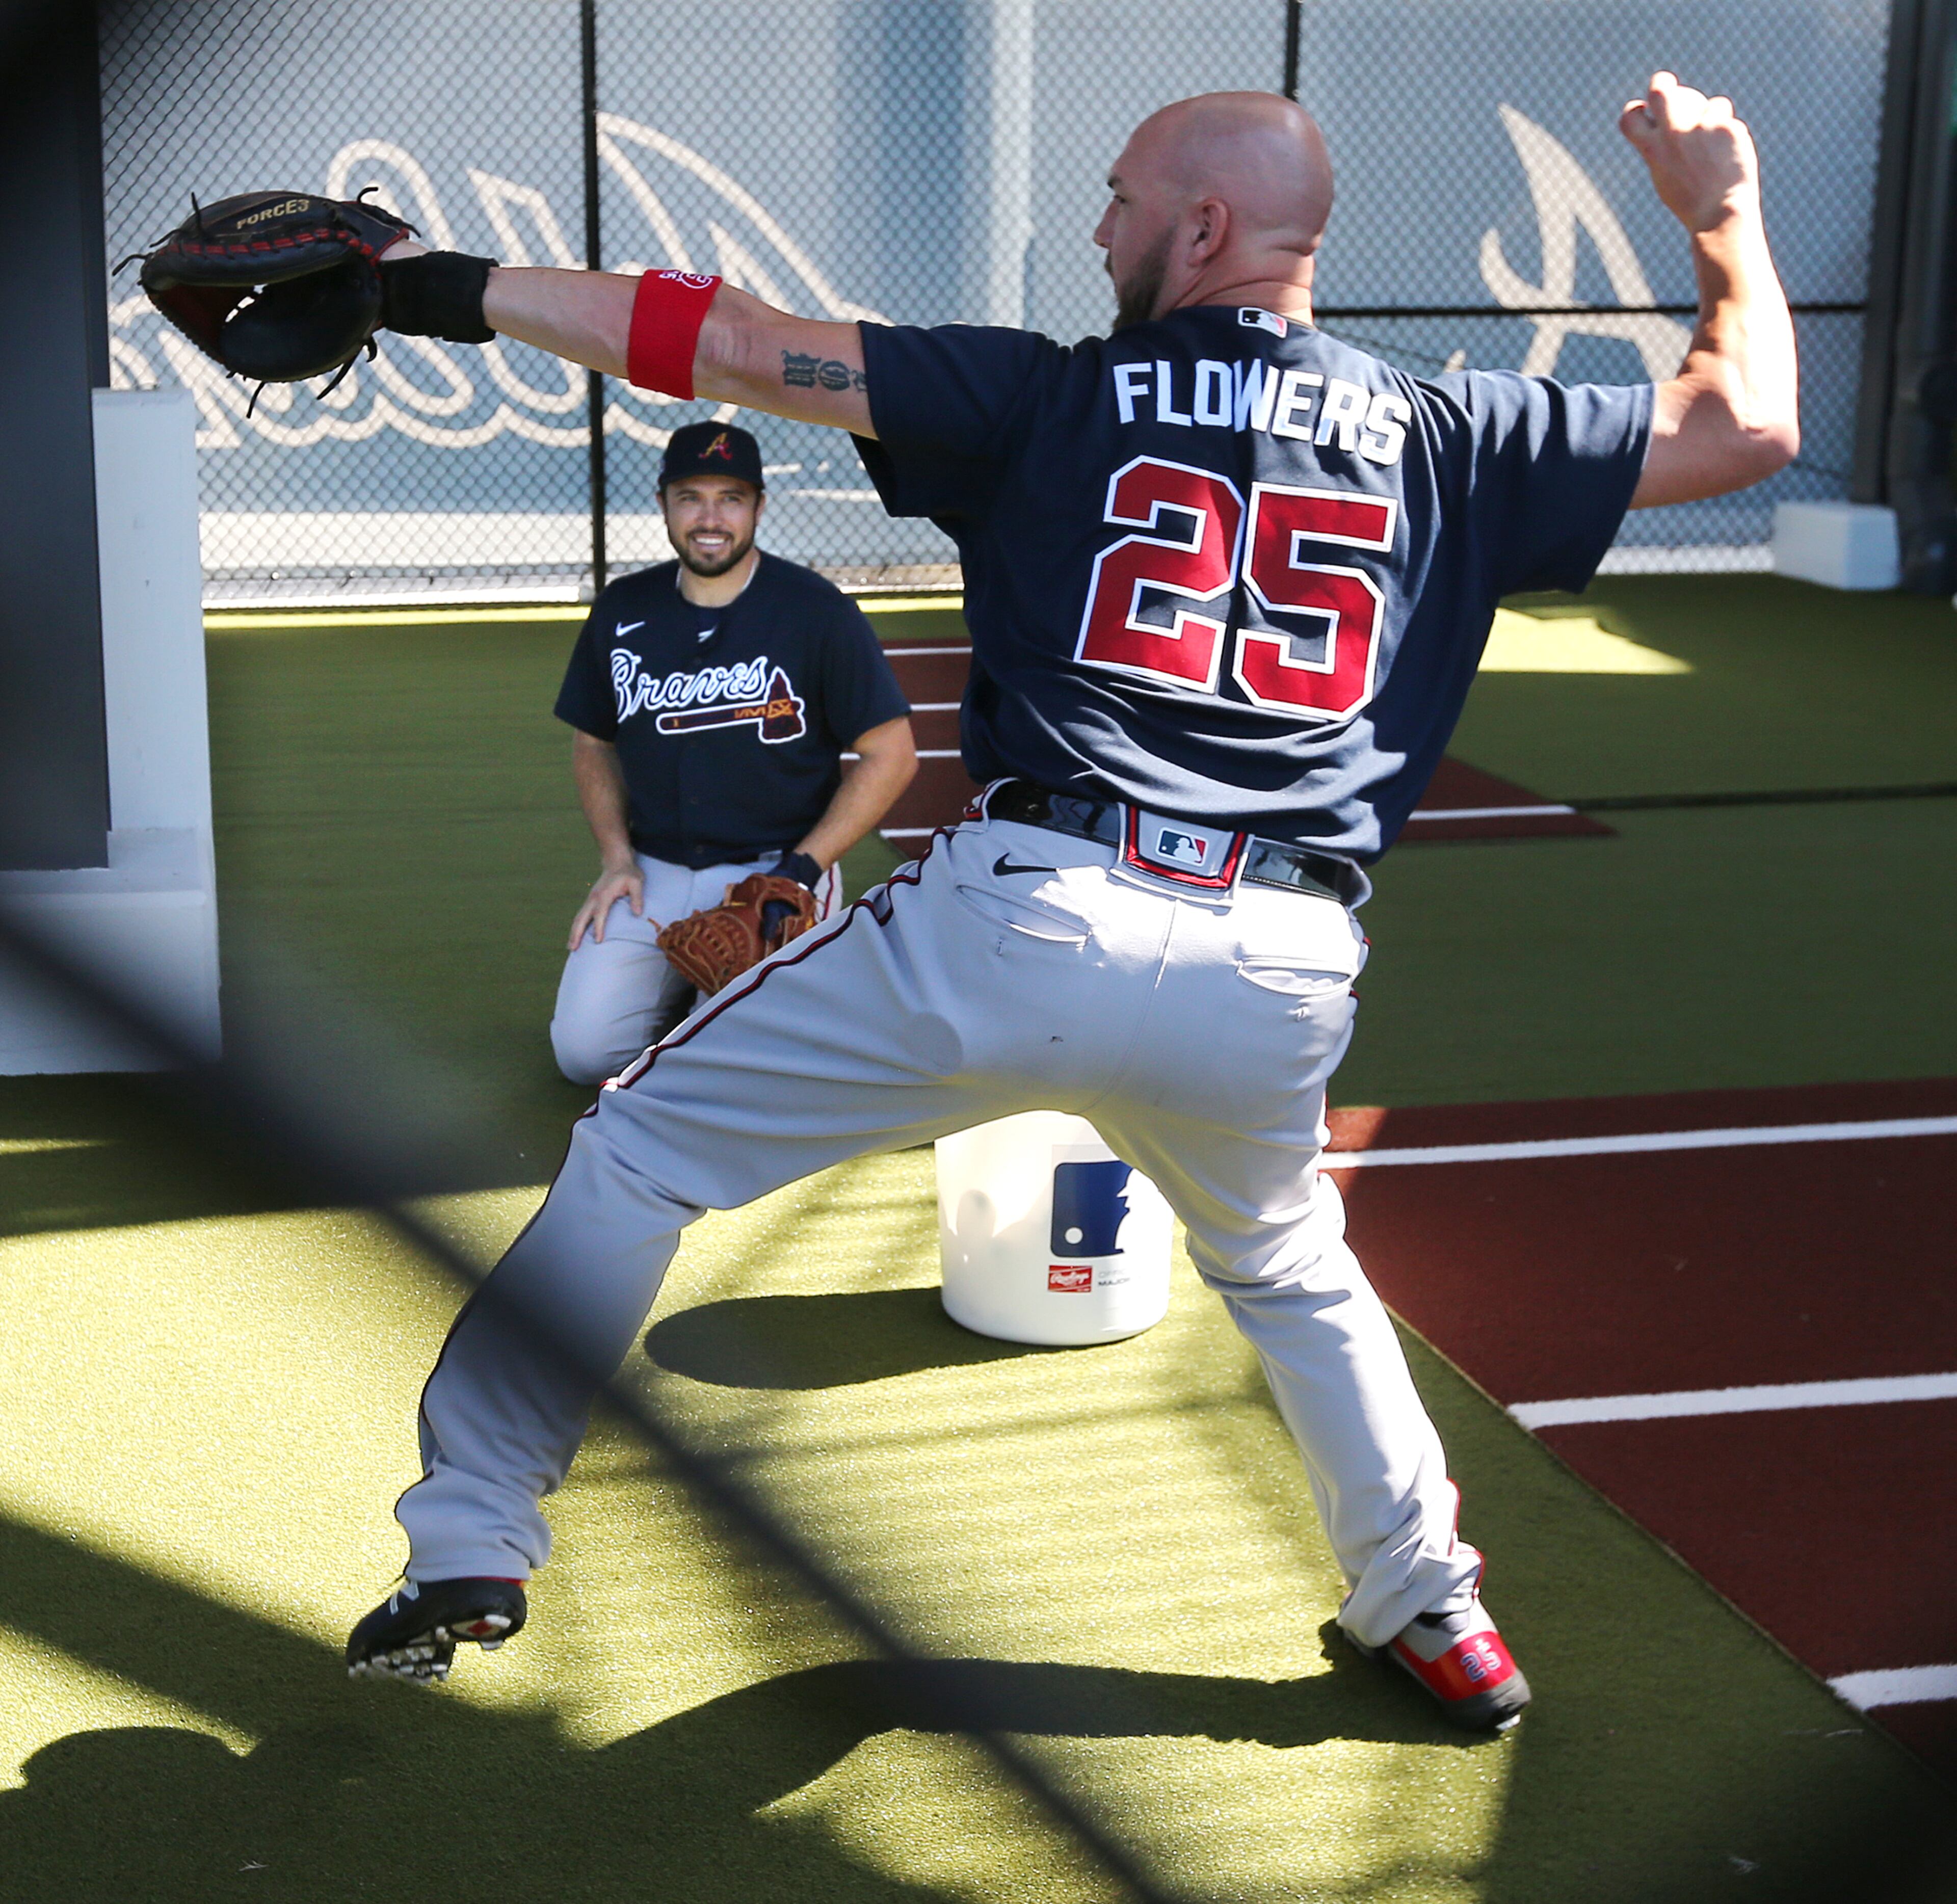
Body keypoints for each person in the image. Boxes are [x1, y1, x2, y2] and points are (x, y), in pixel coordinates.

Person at [347, 74, 1795, 1730]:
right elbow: (1744, 426)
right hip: (1281, 960)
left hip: (1030, 915)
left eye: (1120, 199)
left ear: (1202, 229)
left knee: (639, 1147)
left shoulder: (1042, 393)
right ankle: (1429, 1603)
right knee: (1291, 1258)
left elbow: (734, 343)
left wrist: (427, 286)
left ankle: (471, 1532)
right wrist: (1720, 208)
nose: (1098, 226)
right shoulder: (1451, 426)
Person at [548, 420, 917, 1083]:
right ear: (663, 504)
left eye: (731, 498)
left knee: (745, 1066)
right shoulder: (623, 609)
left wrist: (803, 871)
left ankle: (759, 999)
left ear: (759, 508)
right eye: (691, 497)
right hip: (654, 867)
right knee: (583, 1057)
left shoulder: (816, 611)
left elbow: (892, 753)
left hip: (775, 871)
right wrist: (615, 859)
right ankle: (685, 1005)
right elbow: (593, 740)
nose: (710, 517)